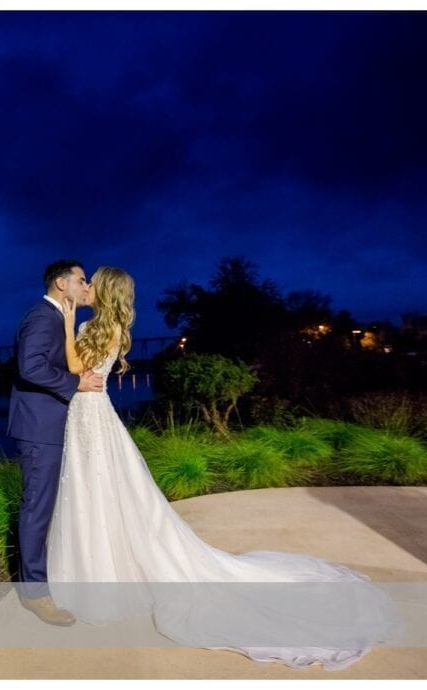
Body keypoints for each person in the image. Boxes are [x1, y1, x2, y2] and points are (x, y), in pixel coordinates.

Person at [46, 266, 404, 671]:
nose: (87, 286)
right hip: (85, 417)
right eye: (84, 280)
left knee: (103, 490)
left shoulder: (103, 328)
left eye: (93, 281)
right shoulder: (101, 326)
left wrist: (68, 318)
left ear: (107, 291)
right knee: (94, 494)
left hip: (93, 417)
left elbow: (76, 369)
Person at [6, 259, 104, 626]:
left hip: (47, 426)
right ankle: (36, 595)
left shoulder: (55, 319)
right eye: (81, 280)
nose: (85, 286)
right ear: (62, 284)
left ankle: (44, 579)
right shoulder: (41, 317)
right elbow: (29, 367)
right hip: (37, 429)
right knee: (37, 508)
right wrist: (75, 383)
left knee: (43, 507)